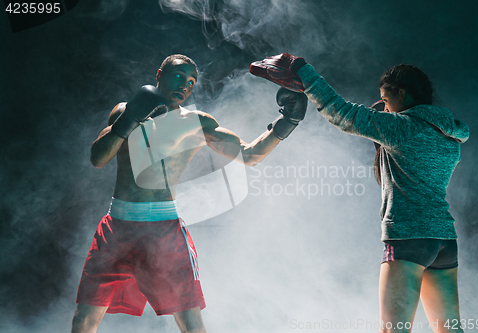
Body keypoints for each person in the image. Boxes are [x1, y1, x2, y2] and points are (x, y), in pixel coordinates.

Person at [72, 54, 307, 333]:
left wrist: (287, 123)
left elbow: (250, 155)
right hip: (117, 228)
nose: (184, 85)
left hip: (164, 232)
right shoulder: (125, 110)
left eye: (191, 81)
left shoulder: (197, 123)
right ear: (159, 74)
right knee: (84, 320)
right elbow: (98, 158)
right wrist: (130, 118)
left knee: (191, 324)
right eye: (179, 76)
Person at [261, 54, 469, 333]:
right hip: (443, 240)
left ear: (402, 94)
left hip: (409, 238)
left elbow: (340, 112)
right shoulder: (450, 137)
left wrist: (303, 70)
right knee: (450, 331)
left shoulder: (401, 127)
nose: (383, 105)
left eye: (385, 98)